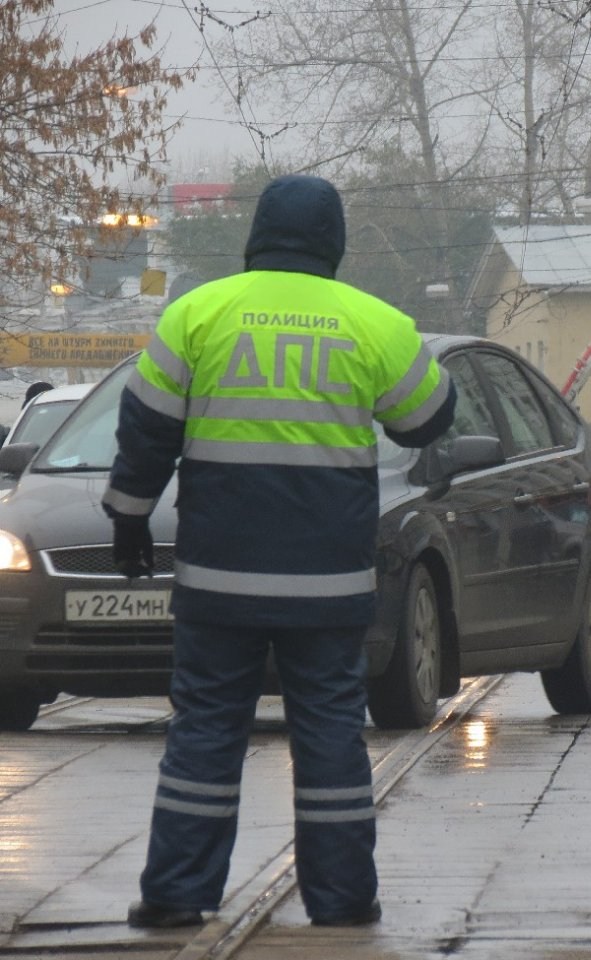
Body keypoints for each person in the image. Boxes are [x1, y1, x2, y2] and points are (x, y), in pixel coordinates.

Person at [102, 174, 456, 929]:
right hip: (328, 582)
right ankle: (342, 899)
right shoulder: (374, 323)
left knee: (204, 729)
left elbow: (145, 431)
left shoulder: (196, 314)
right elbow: (426, 419)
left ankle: (174, 892)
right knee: (330, 730)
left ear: (256, 237)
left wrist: (129, 517)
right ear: (334, 243)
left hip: (218, 576)